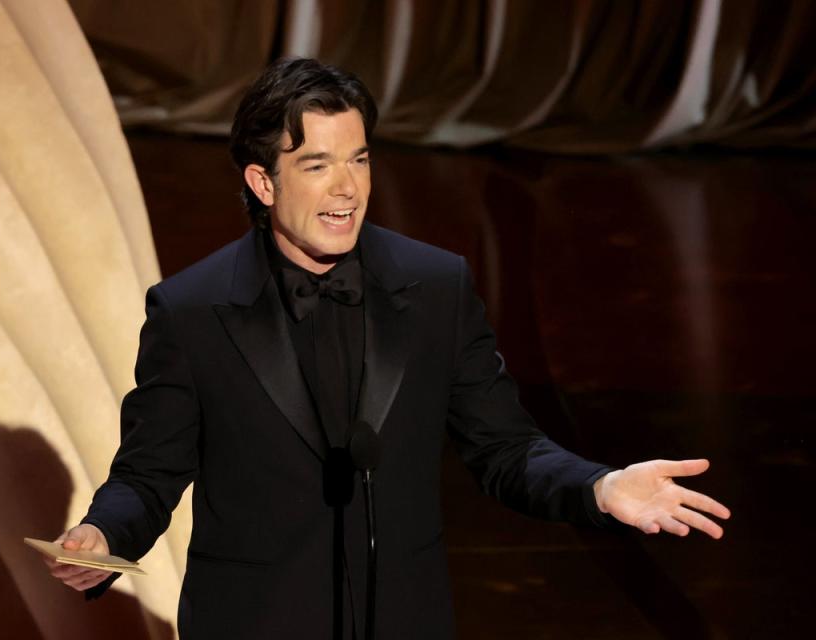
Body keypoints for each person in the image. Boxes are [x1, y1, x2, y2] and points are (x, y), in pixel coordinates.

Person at [44, 57, 730, 639]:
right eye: (317, 165)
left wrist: (601, 487)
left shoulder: (435, 287)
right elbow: (148, 474)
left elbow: (505, 449)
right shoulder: (191, 311)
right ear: (262, 182)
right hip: (253, 621)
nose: (348, 188)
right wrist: (105, 537)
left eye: (360, 158)